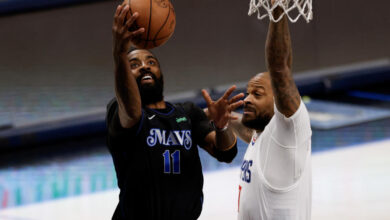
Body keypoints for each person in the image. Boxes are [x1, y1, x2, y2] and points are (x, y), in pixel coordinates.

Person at [106, 4, 243, 220]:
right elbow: (131, 111)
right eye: (134, 64)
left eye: (151, 62)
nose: (144, 66)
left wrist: (222, 126)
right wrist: (119, 53)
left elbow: (226, 153)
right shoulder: (119, 110)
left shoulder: (187, 113)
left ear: (161, 72)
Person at [229, 4, 312, 220]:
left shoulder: (289, 129)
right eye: (247, 93)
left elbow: (279, 68)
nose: (246, 99)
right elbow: (249, 134)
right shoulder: (264, 137)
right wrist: (223, 118)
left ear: (279, 102)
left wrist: (278, 9)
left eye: (256, 94)